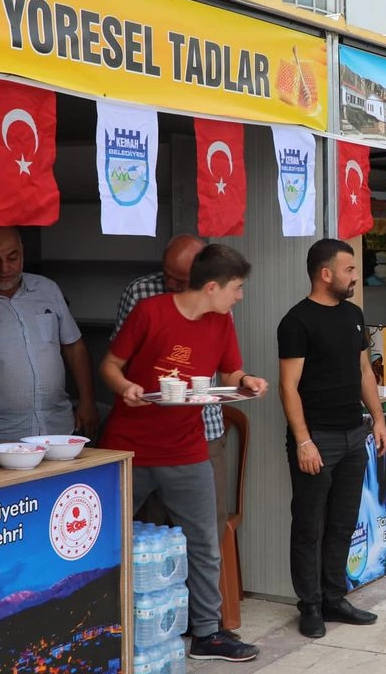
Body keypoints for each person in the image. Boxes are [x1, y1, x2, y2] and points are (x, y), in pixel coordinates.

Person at [99, 243, 267, 663]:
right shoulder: (151, 312)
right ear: (212, 287)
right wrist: (127, 389)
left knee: (204, 541)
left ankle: (209, 634)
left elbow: (228, 371)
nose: (240, 296)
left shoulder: (222, 320)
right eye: (237, 288)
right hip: (129, 447)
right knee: (109, 539)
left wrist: (245, 380)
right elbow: (109, 366)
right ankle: (101, 625)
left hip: (187, 446)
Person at [278, 239, 386, 638]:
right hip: (317, 440)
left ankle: (333, 597)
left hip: (353, 434)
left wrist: (377, 419)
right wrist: (303, 441)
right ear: (325, 274)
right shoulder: (297, 321)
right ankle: (308, 605)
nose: (354, 276)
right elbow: (288, 387)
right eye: (348, 270)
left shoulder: (354, 315)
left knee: (342, 523)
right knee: (309, 526)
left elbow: (364, 371)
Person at [113, 234, 234, 542]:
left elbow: (228, 364)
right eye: (168, 275)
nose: (172, 284)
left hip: (202, 428)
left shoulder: (218, 299)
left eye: (181, 279)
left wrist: (244, 381)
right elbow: (118, 360)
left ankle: (202, 592)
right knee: (149, 527)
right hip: (147, 431)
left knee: (207, 530)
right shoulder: (141, 293)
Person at [0, 226, 98, 442]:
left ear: (22, 252)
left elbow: (73, 346)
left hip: (58, 429)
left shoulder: (47, 290)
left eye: (12, 257)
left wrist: (87, 401)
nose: (4, 268)